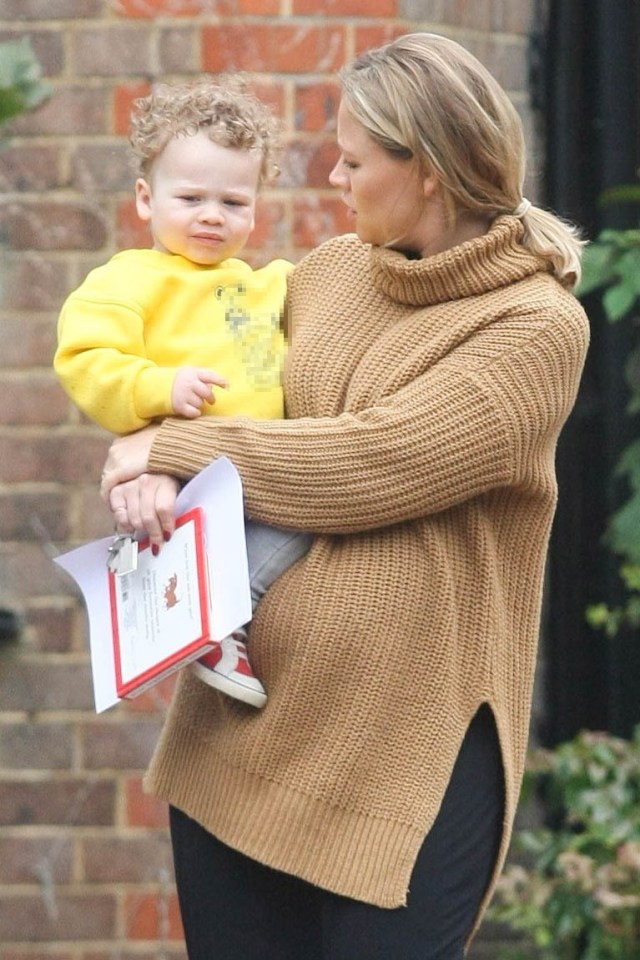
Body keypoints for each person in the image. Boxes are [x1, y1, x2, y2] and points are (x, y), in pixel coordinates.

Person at [99, 32, 590, 960]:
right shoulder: (325, 276)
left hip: (406, 757)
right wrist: (143, 449)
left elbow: (380, 461)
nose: (333, 176)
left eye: (356, 159)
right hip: (241, 736)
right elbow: (202, 385)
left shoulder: (534, 327)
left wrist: (178, 443)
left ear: (432, 173)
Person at [53, 77, 311, 709]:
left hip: (263, 467)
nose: (211, 216)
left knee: (312, 525)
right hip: (192, 477)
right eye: (191, 197)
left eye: (234, 202)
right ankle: (219, 625)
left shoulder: (270, 284)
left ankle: (222, 622)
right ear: (146, 198)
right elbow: (84, 361)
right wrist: (159, 387)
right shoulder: (129, 280)